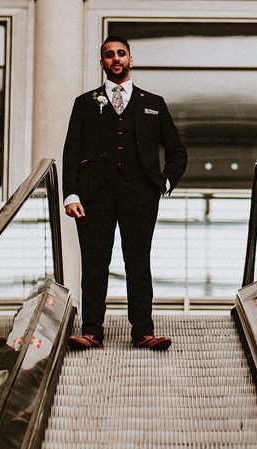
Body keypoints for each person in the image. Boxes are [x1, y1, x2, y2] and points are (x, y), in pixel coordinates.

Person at [63, 35, 187, 351]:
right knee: (94, 263)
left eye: (121, 53)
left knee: (137, 261)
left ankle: (143, 332)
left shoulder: (153, 104)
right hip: (93, 197)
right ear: (102, 62)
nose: (115, 58)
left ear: (130, 60)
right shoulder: (85, 103)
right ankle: (91, 331)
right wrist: (71, 194)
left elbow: (177, 151)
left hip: (140, 194)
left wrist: (165, 182)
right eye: (108, 54)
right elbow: (71, 152)